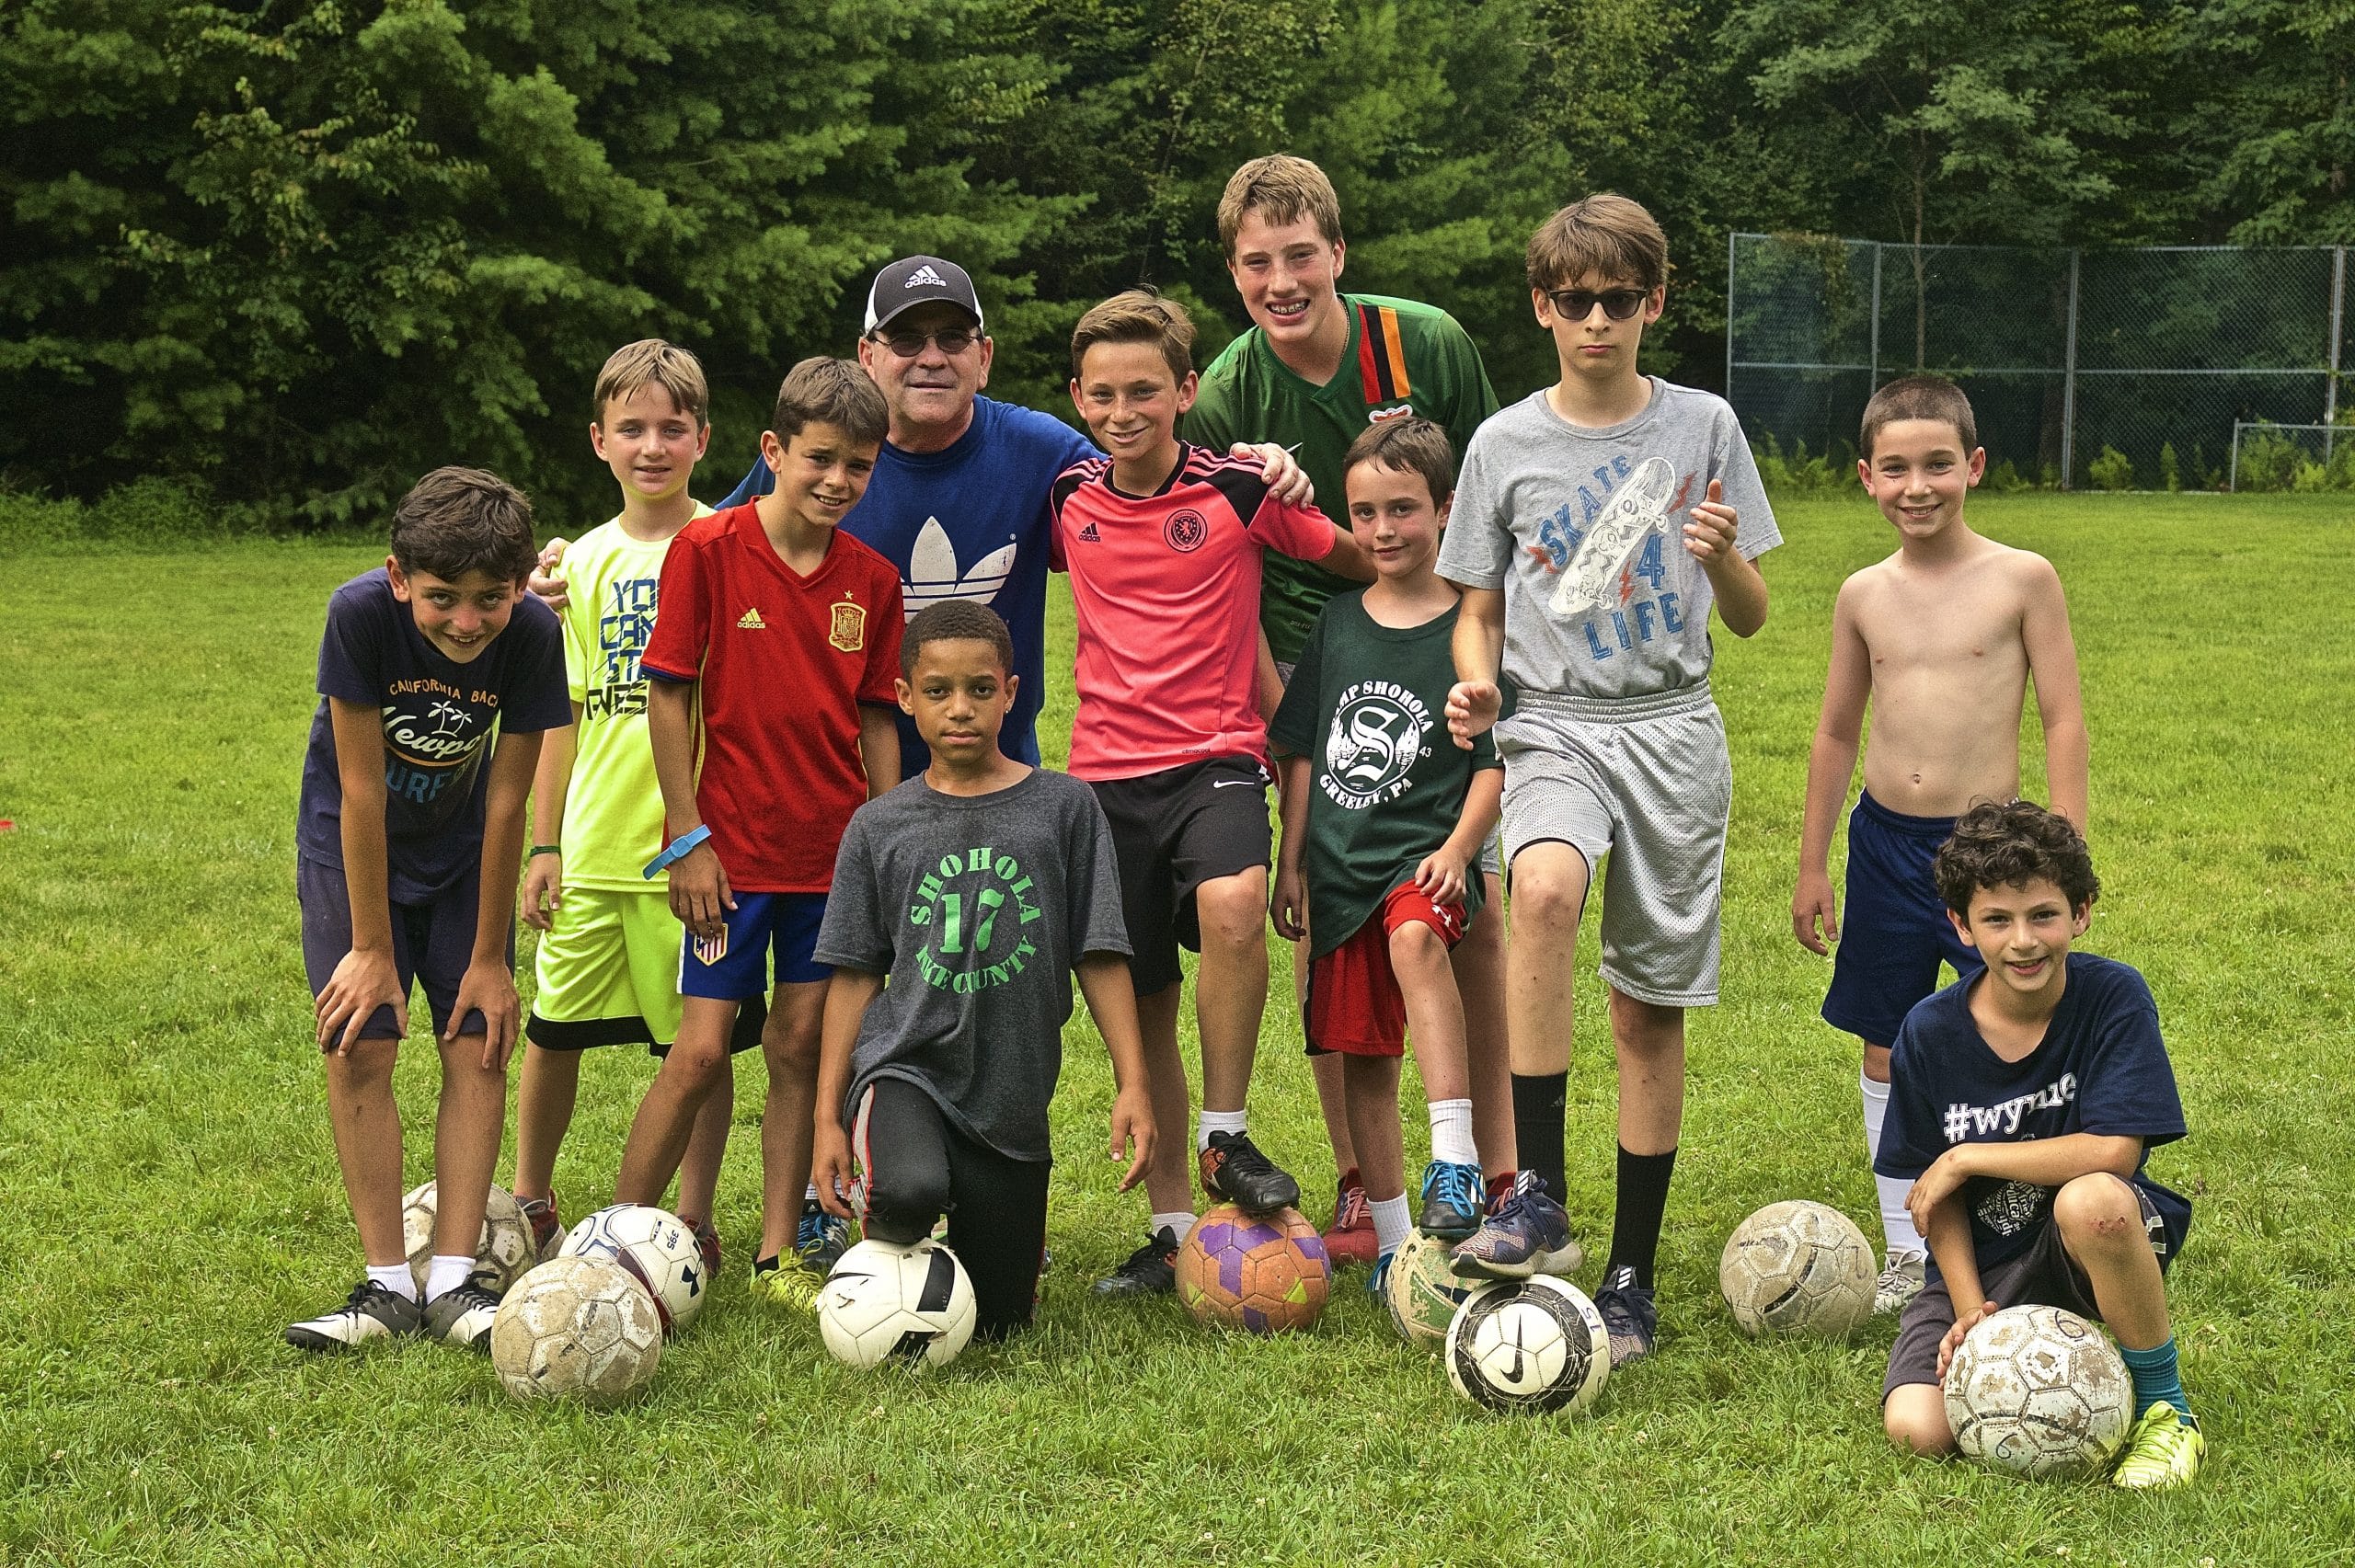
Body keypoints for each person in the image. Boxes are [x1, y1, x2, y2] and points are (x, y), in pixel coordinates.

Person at [534, 258, 1310, 777]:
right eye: (906, 337)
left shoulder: (1046, 453)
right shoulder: (821, 459)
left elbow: (1164, 498)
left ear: (986, 355)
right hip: (838, 776)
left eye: (952, 337)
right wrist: (575, 564)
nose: (930, 356)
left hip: (996, 767)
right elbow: (700, 539)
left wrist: (1257, 465)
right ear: (867, 355)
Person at [1439, 193, 1779, 1368]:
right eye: (1573, 301)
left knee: (1645, 1006)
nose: (1596, 320)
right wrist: (1479, 687)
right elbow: (1474, 610)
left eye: (1619, 301)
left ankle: (1630, 1274)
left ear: (1654, 304)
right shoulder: (1502, 443)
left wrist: (1722, 554)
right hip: (1555, 728)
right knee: (1536, 891)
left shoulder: (1703, 426)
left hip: (1674, 732)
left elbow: (1748, 618)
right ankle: (1537, 1191)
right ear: (1541, 307)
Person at [1186, 155, 1513, 1265]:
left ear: (1338, 251)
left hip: (1440, 619)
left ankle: (1499, 1164)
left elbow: (1491, 485)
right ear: (1233, 273)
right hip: (1309, 638)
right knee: (1335, 894)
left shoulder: (1425, 342)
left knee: (1463, 891)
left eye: (1298, 256)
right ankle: (1359, 1179)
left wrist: (1483, 633)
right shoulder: (1231, 385)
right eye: (1255, 264)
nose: (1281, 282)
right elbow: (1230, 543)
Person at [1050, 289, 1372, 1296]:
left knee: (1235, 905)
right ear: (1077, 398)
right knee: (1142, 991)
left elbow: (1357, 557)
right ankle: (1171, 1229)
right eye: (1101, 393)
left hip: (1216, 757)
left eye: (1144, 388)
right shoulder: (1064, 494)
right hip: (1103, 777)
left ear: (1186, 390)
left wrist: (1426, 570)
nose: (1122, 408)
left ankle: (1226, 1134)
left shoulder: (1239, 488)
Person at [1791, 373, 2088, 1315]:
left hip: (1988, 853)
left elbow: (2063, 716)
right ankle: (1899, 1245)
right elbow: (1836, 731)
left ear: (1974, 467)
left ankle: (2038, 1223)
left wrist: (2064, 852)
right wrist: (1810, 863)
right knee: (1886, 1041)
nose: (1916, 486)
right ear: (1865, 479)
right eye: (1894, 468)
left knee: (2009, 1029)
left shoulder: (2021, 578)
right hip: (1881, 846)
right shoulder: (1861, 595)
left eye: (1935, 465)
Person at [615, 357, 902, 1310]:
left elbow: (875, 723)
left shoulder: (875, 580)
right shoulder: (709, 549)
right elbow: (668, 694)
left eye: (859, 466)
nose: (837, 481)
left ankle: (777, 1252)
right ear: (773, 449)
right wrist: (686, 838)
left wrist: (889, 844)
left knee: (796, 1046)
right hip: (729, 863)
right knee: (699, 1052)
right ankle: (613, 1240)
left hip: (832, 864)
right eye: (820, 458)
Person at [810, 601, 1156, 1338]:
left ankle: (976, 1224)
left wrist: (1133, 1081)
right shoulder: (879, 824)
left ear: (1012, 691)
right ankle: (877, 1268)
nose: (959, 708)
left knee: (1001, 1323)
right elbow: (853, 976)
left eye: (979, 689)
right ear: (905, 698)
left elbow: (1098, 951)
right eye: (937, 691)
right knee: (905, 1194)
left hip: (1010, 1097)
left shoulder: (1066, 807)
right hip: (904, 1066)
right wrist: (824, 1118)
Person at [285, 466, 568, 1353]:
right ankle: (382, 1285)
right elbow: (361, 788)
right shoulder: (359, 614)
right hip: (351, 840)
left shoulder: (530, 633)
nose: (468, 620)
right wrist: (370, 945)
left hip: (459, 849)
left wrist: (490, 956)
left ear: (520, 585)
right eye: (442, 597)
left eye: (491, 596)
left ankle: (451, 1283)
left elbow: (506, 801)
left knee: (477, 1035)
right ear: (400, 577)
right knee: (360, 1035)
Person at [509, 340, 755, 1274]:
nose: (651, 446)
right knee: (552, 1034)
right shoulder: (585, 564)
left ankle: (689, 1220)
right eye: (630, 428)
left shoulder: (731, 547)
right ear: (599, 441)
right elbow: (562, 714)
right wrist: (545, 843)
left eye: (670, 428)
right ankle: (531, 1199)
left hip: (693, 852)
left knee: (705, 1041)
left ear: (702, 438)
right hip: (594, 846)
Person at [1877, 801, 2201, 1490]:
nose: (2023, 941)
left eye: (2043, 915)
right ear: (1962, 926)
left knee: (2093, 1200)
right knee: (1919, 1426)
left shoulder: (2112, 995)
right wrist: (1969, 1310)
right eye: (1997, 919)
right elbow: (1938, 1205)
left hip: (2088, 1240)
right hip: (1983, 1262)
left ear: (2080, 912)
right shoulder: (1929, 1032)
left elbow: (2115, 1150)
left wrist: (1968, 1154)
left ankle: (2165, 1408)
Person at [1268, 418, 1503, 1291]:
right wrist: (1290, 862)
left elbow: (1493, 768)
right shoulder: (1334, 622)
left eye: (1404, 509)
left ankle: (1455, 1161)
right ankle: (1406, 1242)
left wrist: (1458, 851)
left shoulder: (1468, 629)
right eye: (1364, 513)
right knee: (1363, 1056)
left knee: (1414, 941)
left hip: (1424, 863)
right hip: (1337, 874)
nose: (1383, 531)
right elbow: (1300, 754)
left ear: (1445, 509)